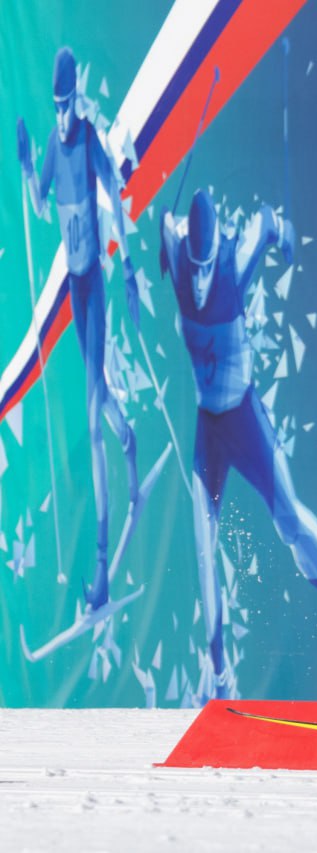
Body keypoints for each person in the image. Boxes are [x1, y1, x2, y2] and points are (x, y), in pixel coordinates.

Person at [159, 188, 317, 701]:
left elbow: (264, 220)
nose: (199, 281)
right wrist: (164, 241)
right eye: (194, 267)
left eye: (205, 266)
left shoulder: (232, 262)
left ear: (214, 251)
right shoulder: (179, 251)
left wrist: (283, 234)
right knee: (202, 545)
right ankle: (221, 678)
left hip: (243, 418)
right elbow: (166, 222)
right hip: (208, 427)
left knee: (289, 520)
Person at [17, 46, 142, 610]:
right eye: (57, 106)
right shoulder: (53, 142)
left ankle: (101, 567)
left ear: (77, 100)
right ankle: (130, 440)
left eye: (68, 104)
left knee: (90, 425)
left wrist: (131, 269)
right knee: (101, 400)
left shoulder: (88, 138)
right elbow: (41, 207)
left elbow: (114, 195)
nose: (63, 115)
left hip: (94, 286)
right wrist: (27, 167)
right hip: (73, 288)